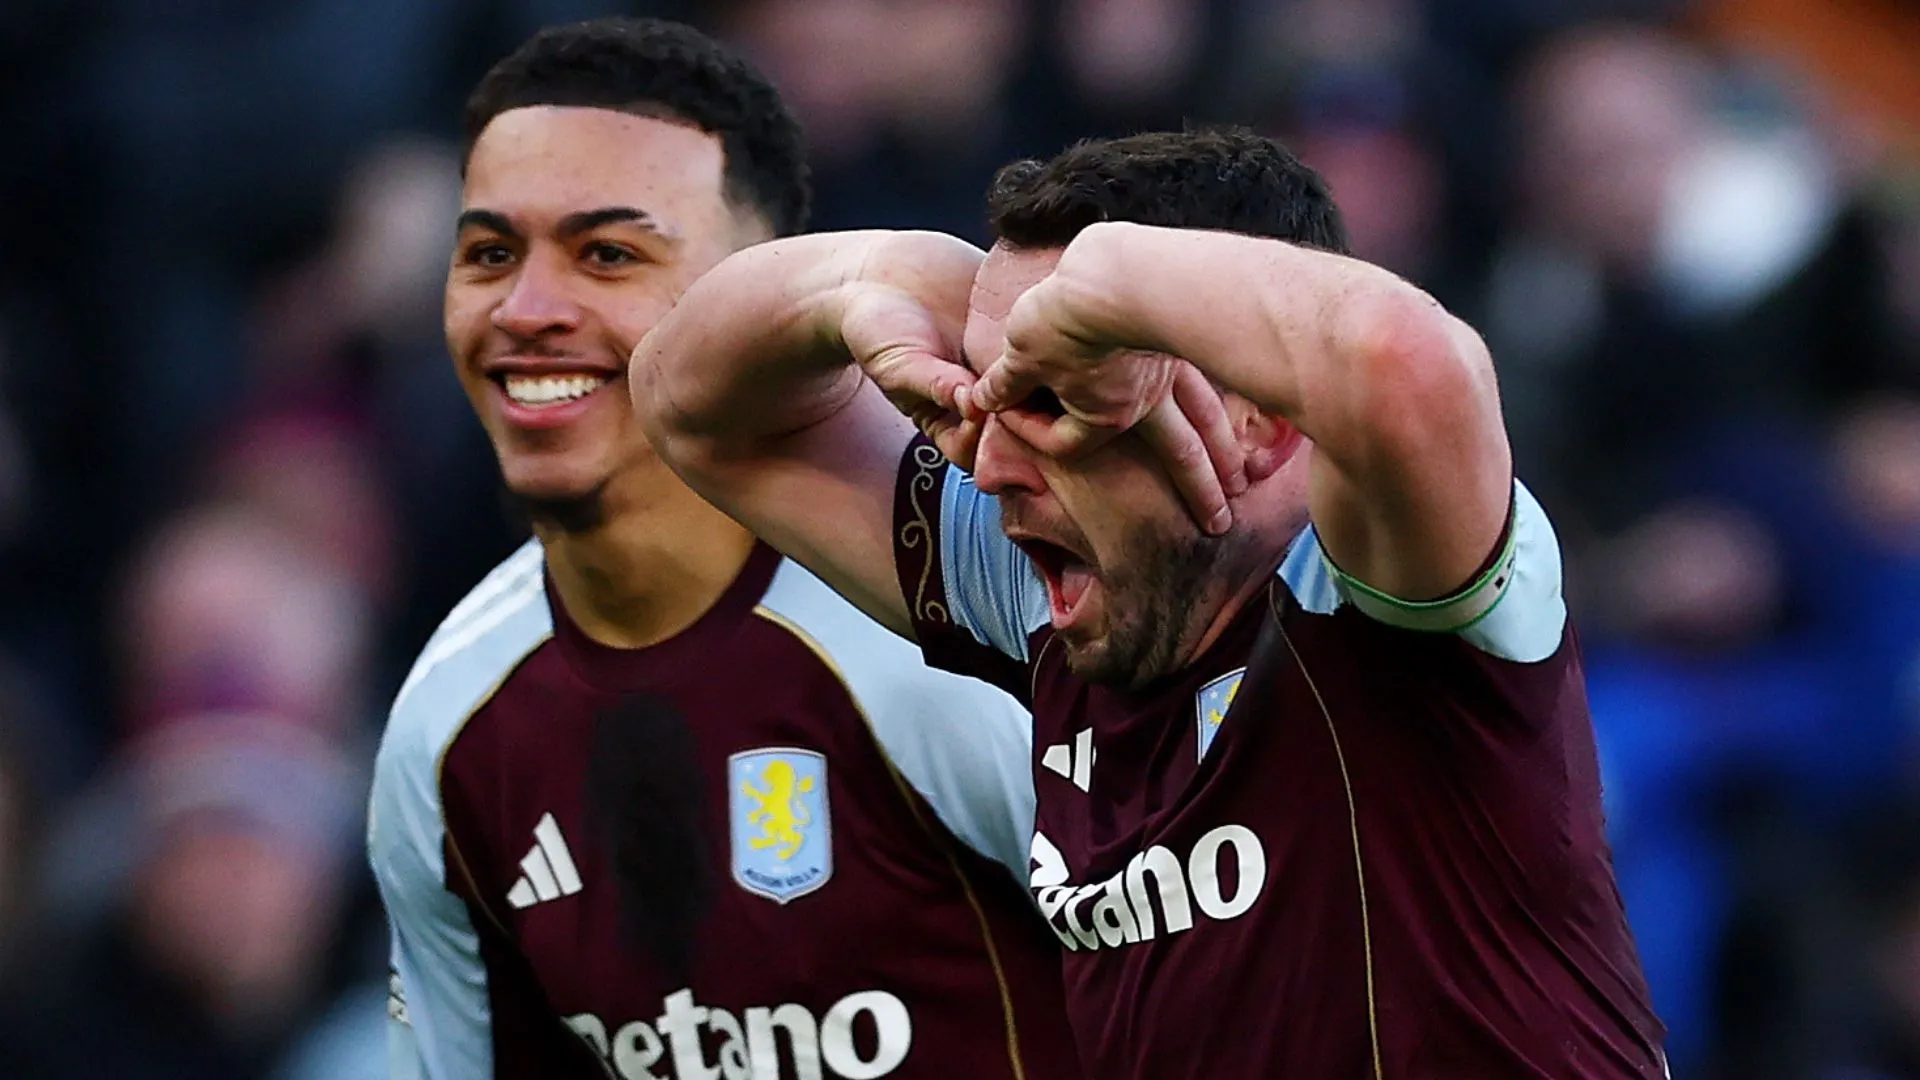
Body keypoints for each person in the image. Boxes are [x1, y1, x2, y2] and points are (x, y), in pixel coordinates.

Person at [631, 127, 1671, 1077]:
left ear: (1259, 422)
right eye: (983, 394)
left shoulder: (1381, 590)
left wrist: (1115, 285)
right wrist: (874, 278)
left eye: (1052, 401)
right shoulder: (1053, 590)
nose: (989, 468)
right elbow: (689, 401)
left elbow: (1405, 359)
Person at [367, 18, 1081, 1080]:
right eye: (489, 255)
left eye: (608, 254)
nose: (527, 310)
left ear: (752, 298)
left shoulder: (966, 634)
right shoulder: (446, 726)